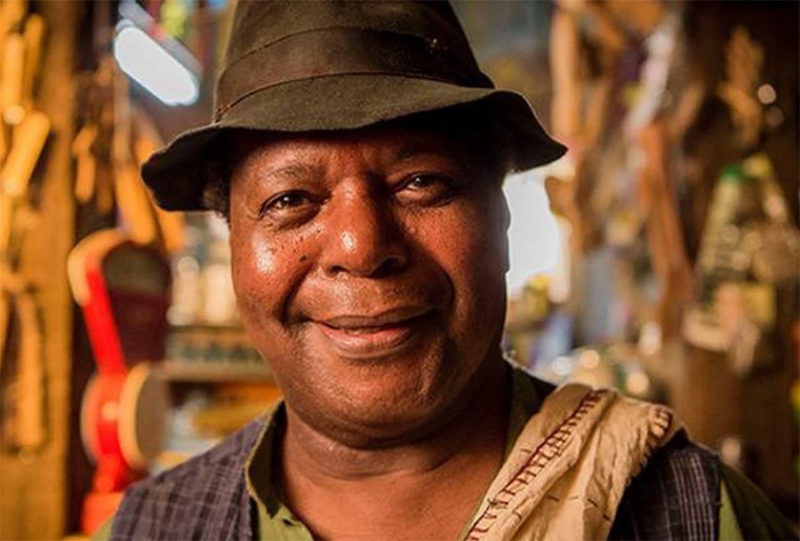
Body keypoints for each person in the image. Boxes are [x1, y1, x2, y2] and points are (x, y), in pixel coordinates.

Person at [97, 1, 796, 540]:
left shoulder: (695, 514)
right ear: (235, 248)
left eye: (420, 182)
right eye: (290, 200)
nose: (361, 247)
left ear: (501, 218)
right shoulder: (153, 528)